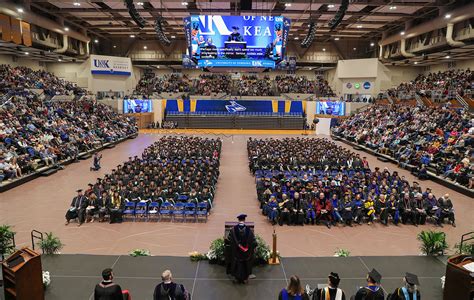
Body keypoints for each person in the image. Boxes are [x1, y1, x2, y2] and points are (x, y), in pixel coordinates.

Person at [228, 214, 256, 284]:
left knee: (237, 263)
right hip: (246, 252)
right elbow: (253, 241)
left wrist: (236, 246)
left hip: (236, 252)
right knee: (245, 263)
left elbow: (229, 240)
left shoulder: (233, 229)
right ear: (244, 220)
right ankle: (245, 279)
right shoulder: (249, 230)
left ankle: (237, 278)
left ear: (238, 220)